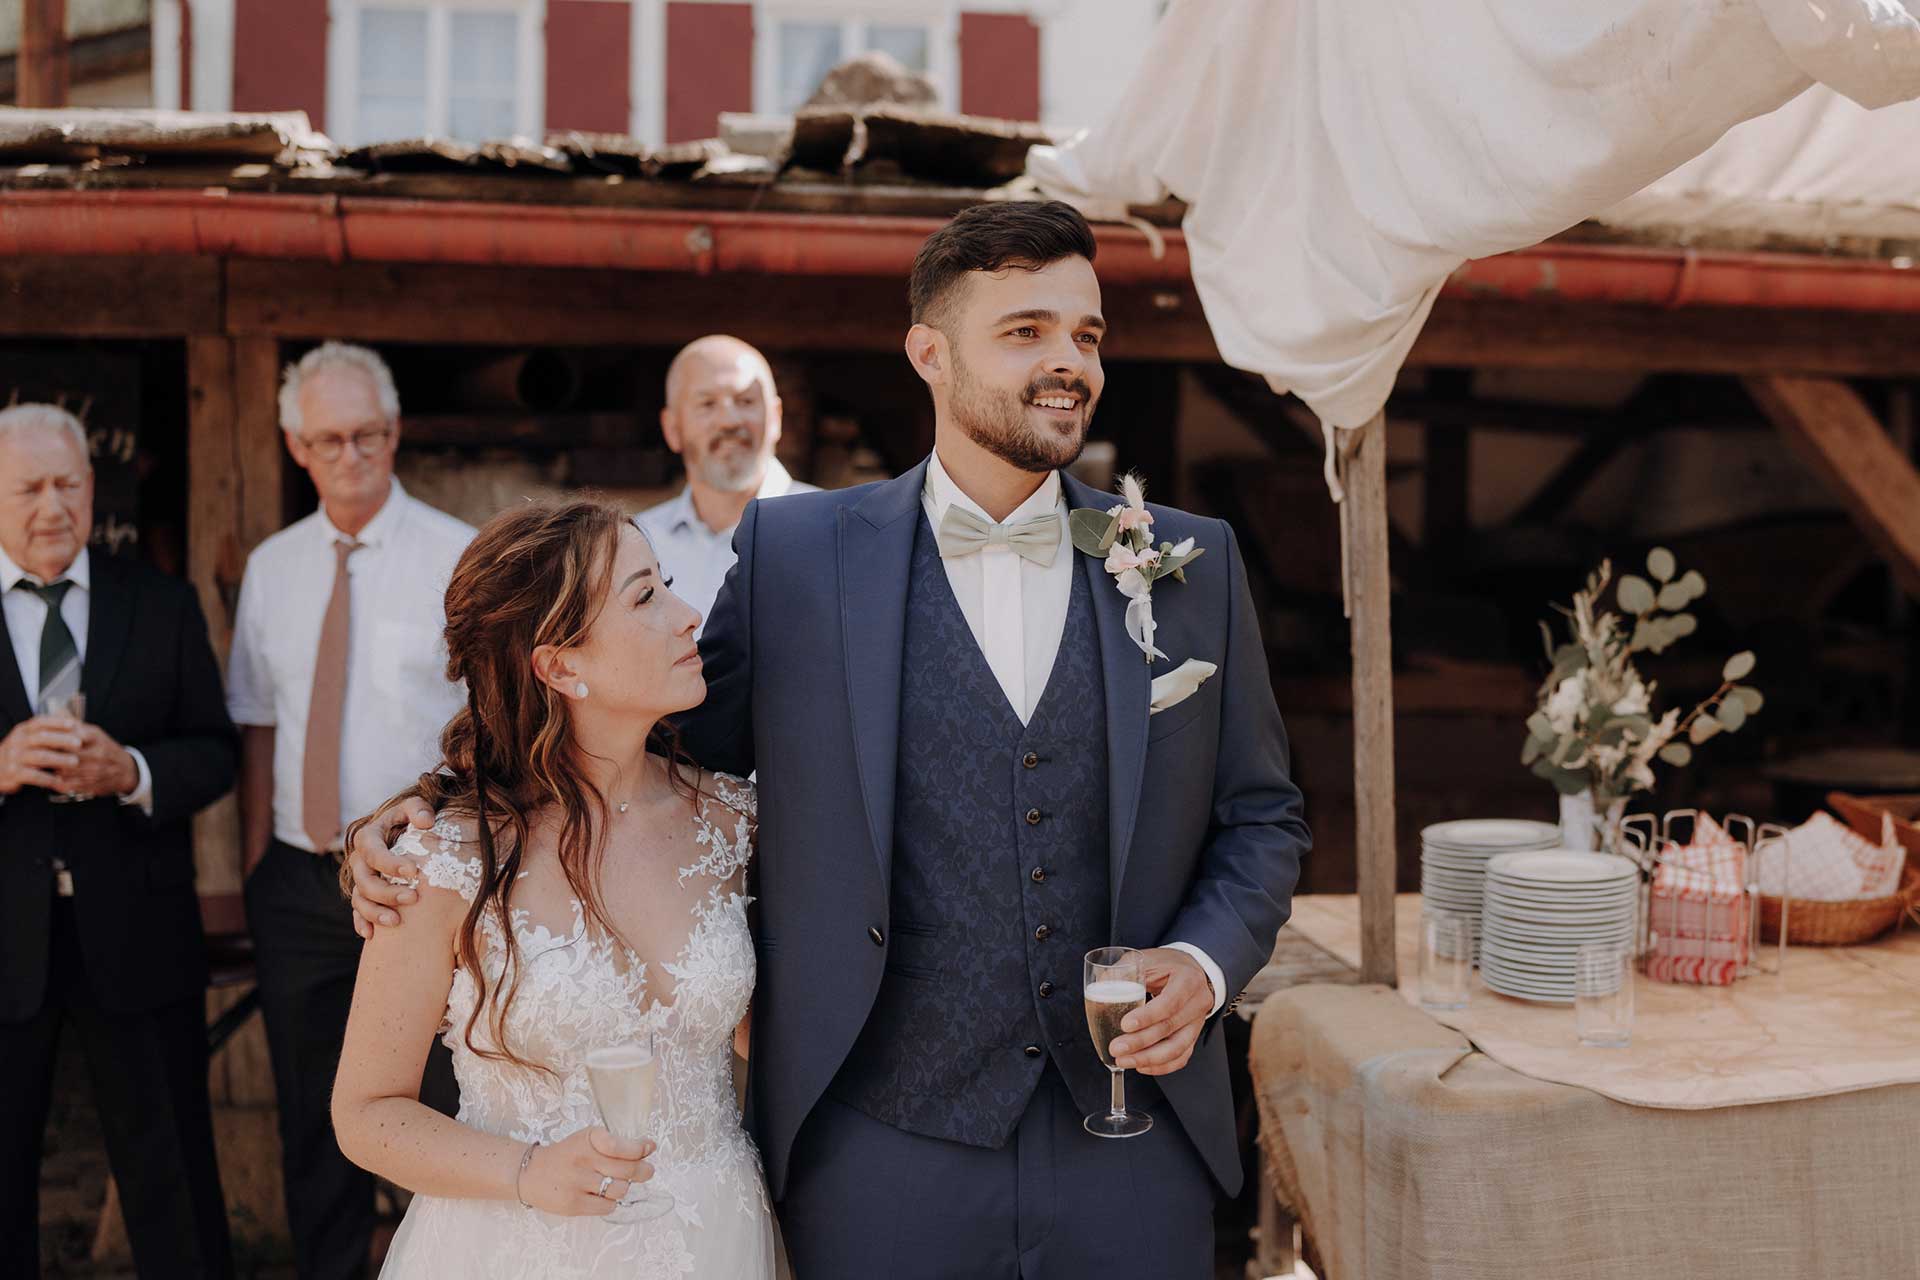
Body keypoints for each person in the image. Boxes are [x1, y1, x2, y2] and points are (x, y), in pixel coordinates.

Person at [351, 201, 1309, 1278]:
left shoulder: (1188, 561)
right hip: (881, 1146)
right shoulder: (799, 556)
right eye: (1027, 330)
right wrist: (426, 814)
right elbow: (639, 749)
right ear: (929, 353)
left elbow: (1261, 814)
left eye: (1086, 335)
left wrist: (1202, 959)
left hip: (1131, 1142)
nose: (1069, 363)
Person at [331, 498, 775, 1277]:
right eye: (644, 597)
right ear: (560, 666)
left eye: (664, 582)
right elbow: (367, 1113)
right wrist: (527, 1172)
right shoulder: (446, 858)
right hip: (515, 1246)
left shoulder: (737, 825)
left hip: (718, 1238)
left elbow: (774, 1044)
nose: (689, 614)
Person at [226, 343, 473, 1280]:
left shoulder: (457, 557)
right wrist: (260, 863)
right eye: (329, 438)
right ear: (296, 444)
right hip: (297, 879)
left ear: (395, 431)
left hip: (422, 882)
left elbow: (485, 728)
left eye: (367, 433)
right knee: (310, 1106)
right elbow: (257, 722)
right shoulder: (273, 568)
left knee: (442, 1102)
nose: (351, 453)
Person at [0, 403, 237, 1278]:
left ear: (94, 488)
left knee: (171, 1173)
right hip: (6, 937)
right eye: (28, 488)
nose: (53, 506)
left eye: (69, 484)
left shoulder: (161, 604)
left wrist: (132, 771)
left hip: (136, 932)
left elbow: (214, 752)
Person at [633, 335, 816, 629]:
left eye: (745, 401)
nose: (729, 421)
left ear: (776, 417)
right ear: (672, 428)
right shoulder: (637, 545)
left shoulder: (838, 527)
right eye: (707, 404)